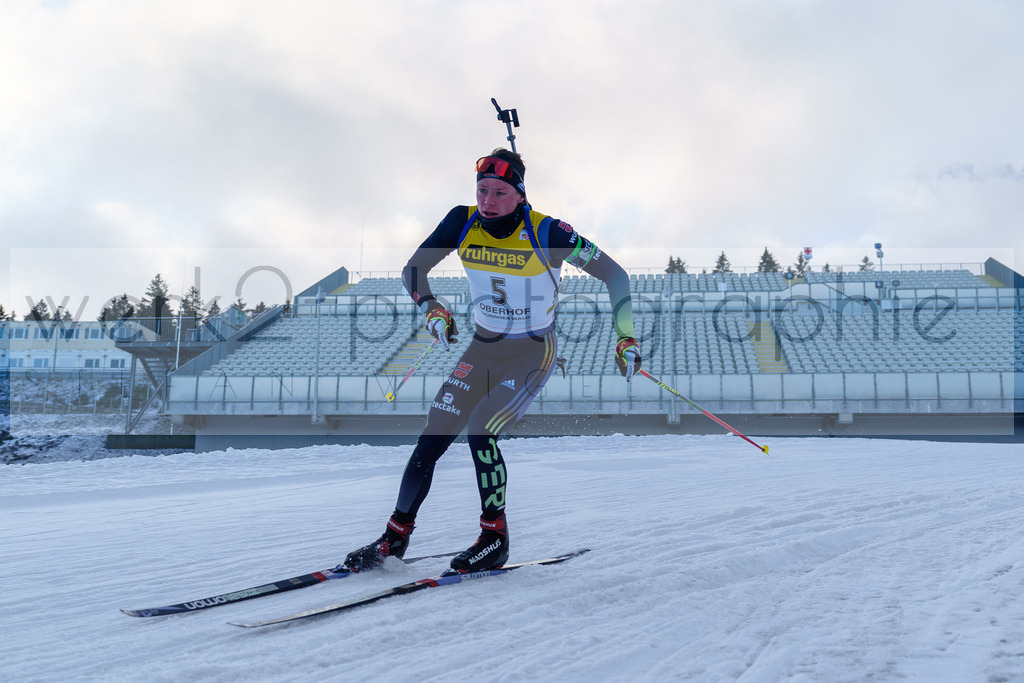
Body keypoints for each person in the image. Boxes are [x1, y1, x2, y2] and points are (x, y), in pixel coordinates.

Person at [343, 148, 641, 573]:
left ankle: (494, 538)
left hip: (532, 351)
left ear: (520, 195)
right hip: (483, 347)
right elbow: (413, 270)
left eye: (500, 193)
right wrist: (432, 307)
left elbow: (616, 275)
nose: (488, 201)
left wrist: (626, 336)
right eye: (482, 190)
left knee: (481, 430)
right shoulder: (461, 221)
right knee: (433, 434)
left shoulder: (549, 231)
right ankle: (394, 537)